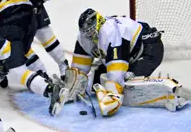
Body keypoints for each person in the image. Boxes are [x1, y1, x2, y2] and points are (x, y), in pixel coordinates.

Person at [58, 8, 190, 116]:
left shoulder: (110, 33)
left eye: (91, 32)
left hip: (149, 50)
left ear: (98, 24)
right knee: (97, 82)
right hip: (130, 54)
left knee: (126, 85)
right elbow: (79, 69)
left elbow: (116, 74)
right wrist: (71, 85)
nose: (89, 36)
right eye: (87, 33)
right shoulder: (83, 38)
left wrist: (113, 98)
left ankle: (170, 94)